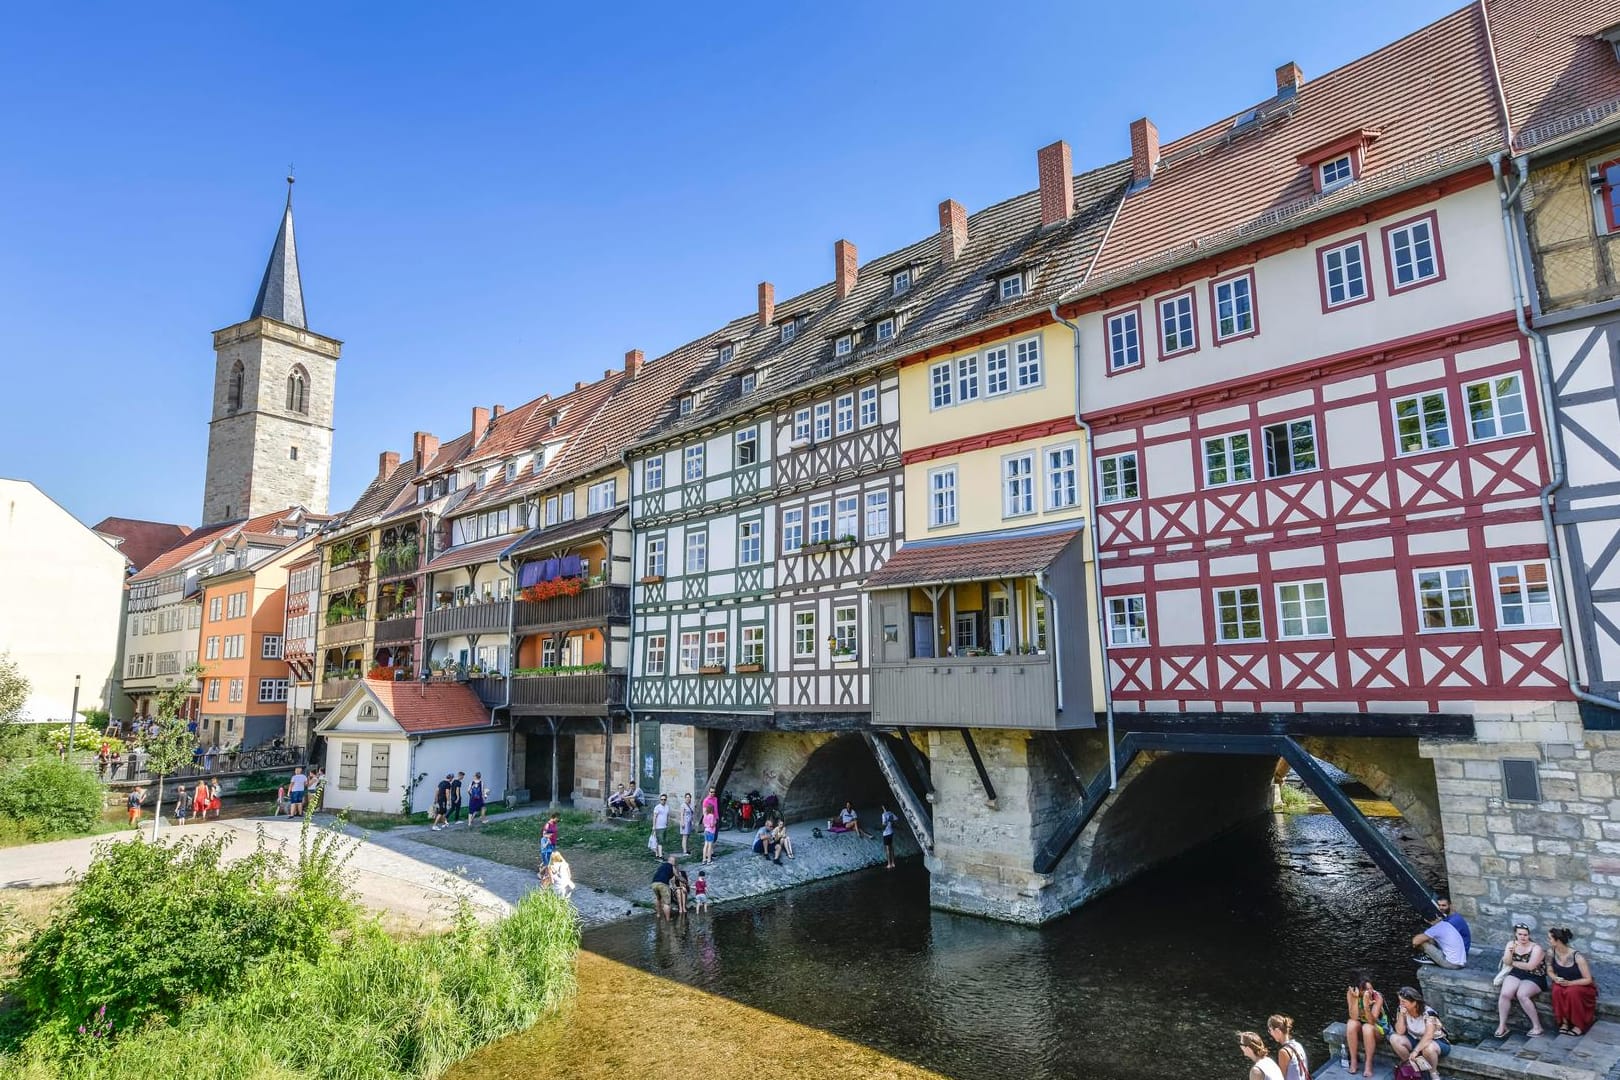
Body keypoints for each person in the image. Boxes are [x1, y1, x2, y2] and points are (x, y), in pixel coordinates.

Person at [1495, 922, 1548, 1038]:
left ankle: (1537, 1027)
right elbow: (1506, 961)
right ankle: (1502, 1025)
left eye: (1525, 934)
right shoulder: (1511, 944)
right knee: (1505, 994)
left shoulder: (1536, 948)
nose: (1523, 937)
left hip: (1535, 976)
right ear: (1515, 934)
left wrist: (1513, 962)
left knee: (1522, 995)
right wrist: (1510, 952)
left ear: (1529, 935)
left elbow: (1530, 966)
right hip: (1517, 973)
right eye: (1520, 934)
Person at [1548, 926, 1599, 1036]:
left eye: (1550, 939)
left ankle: (1579, 1025)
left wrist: (1570, 983)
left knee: (1572, 992)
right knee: (1556, 990)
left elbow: (1588, 979)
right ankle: (1565, 1023)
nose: (1549, 941)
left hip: (1580, 984)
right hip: (1562, 982)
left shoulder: (1578, 957)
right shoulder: (1551, 952)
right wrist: (1555, 978)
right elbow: (1550, 970)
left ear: (1558, 940)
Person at [1391, 986, 1451, 1071]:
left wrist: (1415, 1051)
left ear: (1414, 1003)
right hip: (1415, 1039)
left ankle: (1433, 1073)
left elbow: (1428, 1036)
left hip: (1436, 1041)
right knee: (1394, 1038)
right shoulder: (1402, 1010)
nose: (1401, 1004)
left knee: (1428, 1048)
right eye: (1400, 1001)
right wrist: (1401, 1015)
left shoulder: (1428, 1013)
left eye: (1403, 1001)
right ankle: (1412, 1067)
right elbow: (1400, 1032)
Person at [1344, 971, 1386, 1079]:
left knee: (1367, 1027)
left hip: (1377, 1029)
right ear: (1358, 990)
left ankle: (1368, 1063)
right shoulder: (1351, 994)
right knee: (1351, 1023)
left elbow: (1372, 1022)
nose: (1370, 991)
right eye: (1366, 990)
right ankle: (1353, 1061)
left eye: (1371, 988)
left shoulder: (1377, 997)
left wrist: (1367, 1005)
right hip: (1361, 1028)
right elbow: (1353, 1016)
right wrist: (1354, 1000)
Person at [1266, 1015, 1308, 1080]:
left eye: (1270, 1030)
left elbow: (1282, 1077)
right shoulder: (1298, 1045)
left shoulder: (1283, 1052)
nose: (1270, 1033)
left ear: (1277, 1031)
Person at [651, 855, 677, 919]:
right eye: (675, 862)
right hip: (663, 884)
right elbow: (677, 876)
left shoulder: (662, 866)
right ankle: (668, 919)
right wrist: (685, 882)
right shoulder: (672, 866)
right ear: (672, 861)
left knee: (658, 899)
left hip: (654, 883)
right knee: (667, 903)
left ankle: (658, 914)